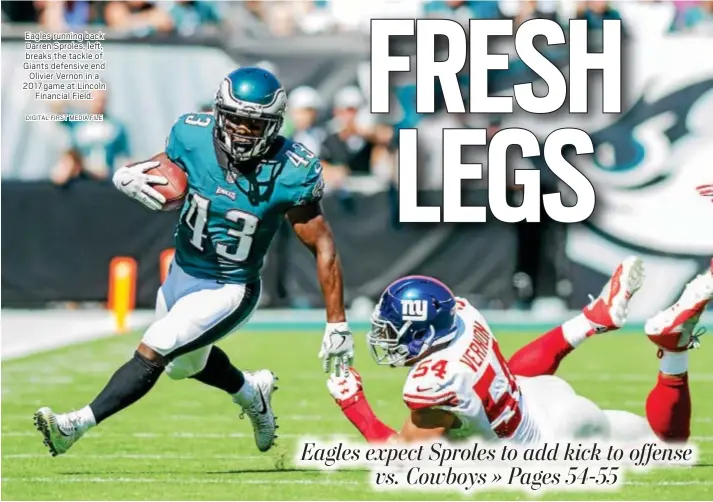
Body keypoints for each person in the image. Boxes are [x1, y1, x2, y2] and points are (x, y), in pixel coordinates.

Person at [34, 67, 355, 457]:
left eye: (254, 124)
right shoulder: (193, 134)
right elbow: (162, 167)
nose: (240, 131)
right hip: (184, 270)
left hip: (230, 285)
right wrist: (130, 174)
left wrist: (336, 322)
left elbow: (323, 245)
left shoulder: (292, 170)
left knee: (158, 345)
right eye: (234, 118)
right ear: (220, 112)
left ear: (273, 126)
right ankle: (250, 391)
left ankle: (74, 425)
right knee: (182, 365)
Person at [326, 256, 712, 443]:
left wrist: (353, 405)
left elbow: (403, 457)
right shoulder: (462, 315)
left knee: (670, 445)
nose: (387, 340)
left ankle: (672, 352)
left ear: (421, 331)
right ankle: (595, 322)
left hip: (550, 444)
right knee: (655, 439)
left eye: (393, 331)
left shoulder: (432, 382)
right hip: (541, 399)